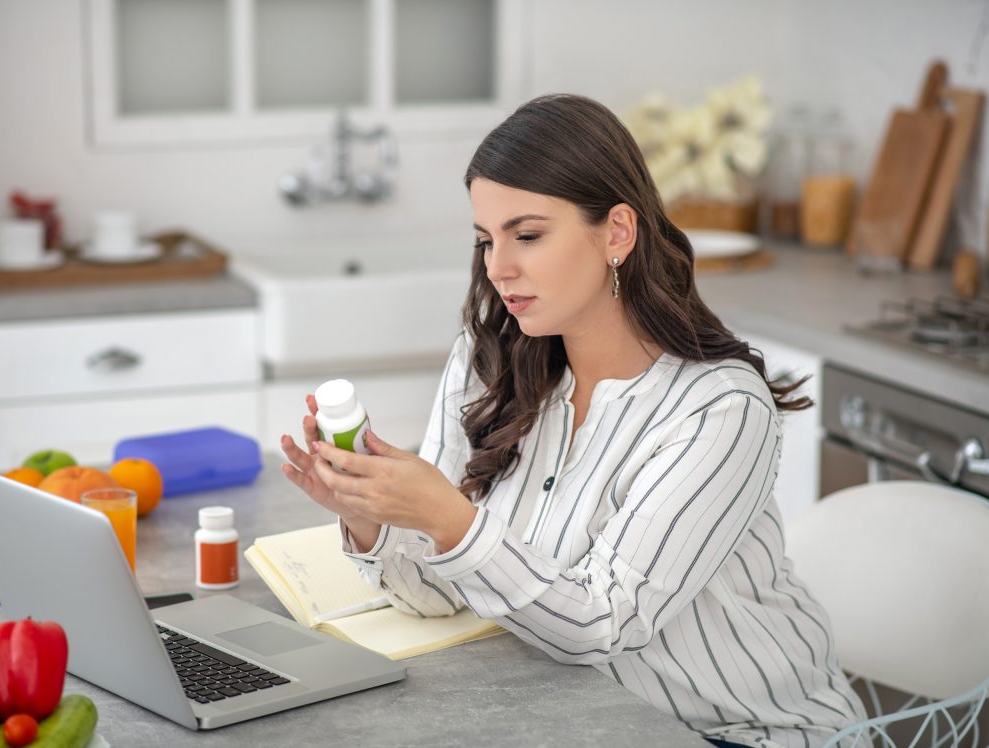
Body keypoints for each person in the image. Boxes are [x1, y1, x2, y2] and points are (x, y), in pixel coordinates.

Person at [280, 94, 866, 748]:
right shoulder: (488, 364)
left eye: (527, 235)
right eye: (486, 240)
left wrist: (447, 515)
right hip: (592, 724)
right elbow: (438, 593)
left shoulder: (717, 411)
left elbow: (602, 624)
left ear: (617, 232)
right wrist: (369, 513)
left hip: (742, 735)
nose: (498, 267)